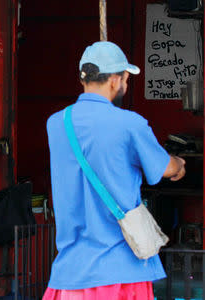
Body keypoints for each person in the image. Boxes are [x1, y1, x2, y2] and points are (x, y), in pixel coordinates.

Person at [44, 41, 186, 300]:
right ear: (113, 81)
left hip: (70, 275)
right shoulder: (129, 123)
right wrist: (178, 164)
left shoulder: (56, 124)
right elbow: (164, 168)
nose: (126, 84)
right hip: (121, 272)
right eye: (126, 78)